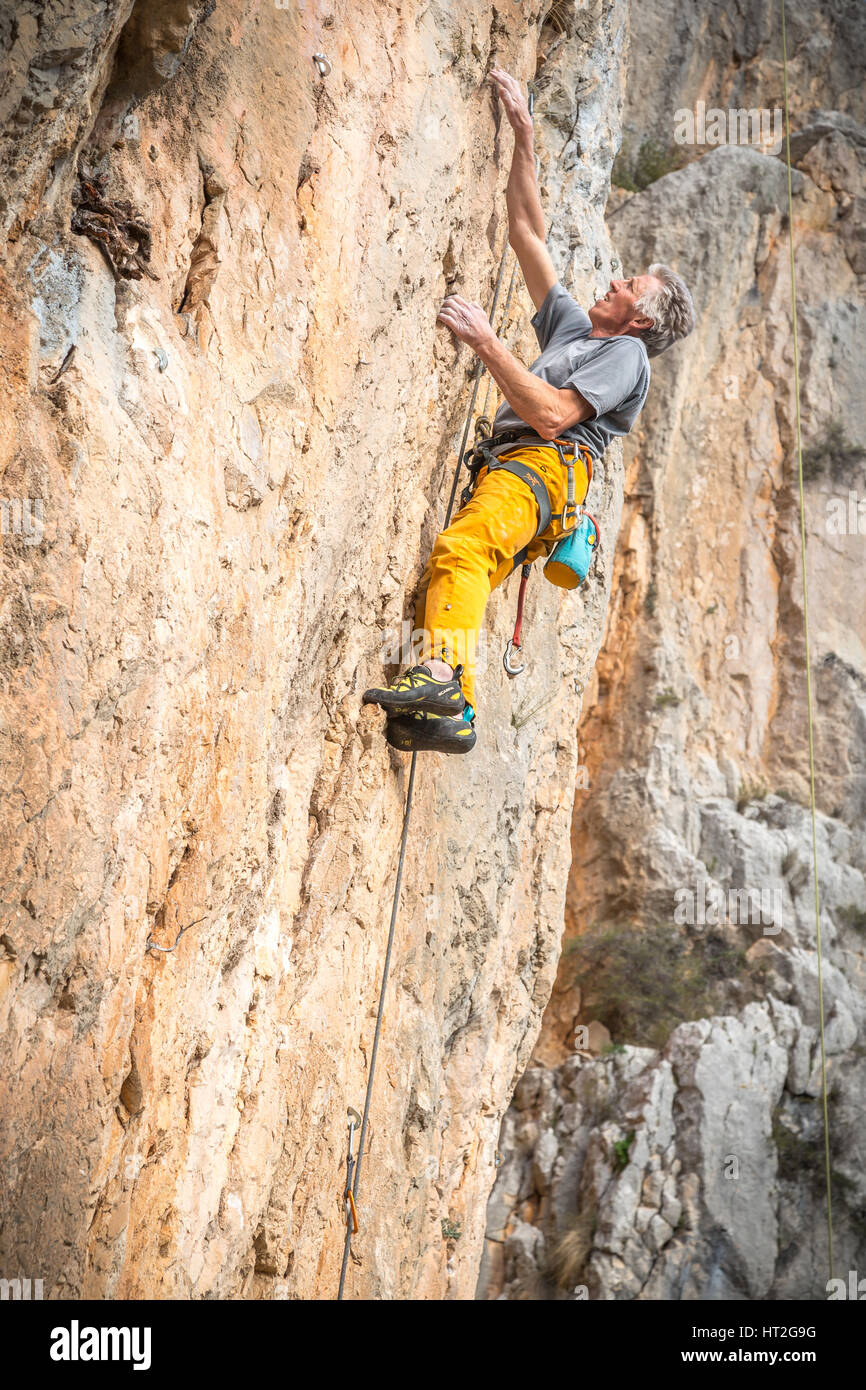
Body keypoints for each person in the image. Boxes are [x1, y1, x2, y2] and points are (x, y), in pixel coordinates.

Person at [364, 66, 695, 753]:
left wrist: (488, 342)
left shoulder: (626, 358)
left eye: (628, 284)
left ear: (639, 319)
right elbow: (524, 231)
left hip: (541, 469)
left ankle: (444, 684)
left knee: (462, 550)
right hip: (518, 474)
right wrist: (522, 133)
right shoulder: (576, 330)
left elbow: (550, 414)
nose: (612, 279)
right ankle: (454, 712)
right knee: (465, 571)